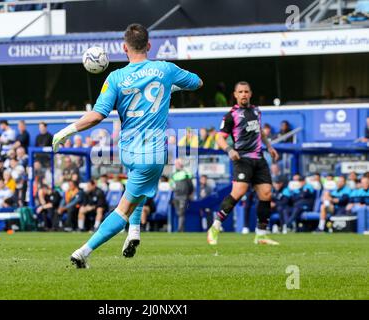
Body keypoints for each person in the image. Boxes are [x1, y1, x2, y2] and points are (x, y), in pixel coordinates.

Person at [52, 23, 202, 268]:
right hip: (152, 152)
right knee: (124, 207)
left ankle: (134, 231)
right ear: (149, 45)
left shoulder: (115, 77)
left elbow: (98, 115)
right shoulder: (165, 68)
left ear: (124, 48)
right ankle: (83, 252)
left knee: (136, 187)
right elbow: (197, 83)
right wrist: (169, 85)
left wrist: (66, 130)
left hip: (128, 151)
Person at [207, 81, 280, 246]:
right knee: (239, 191)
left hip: (259, 157)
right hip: (242, 158)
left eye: (246, 91)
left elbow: (259, 130)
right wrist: (229, 150)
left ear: (250, 93)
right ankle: (216, 225)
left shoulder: (256, 111)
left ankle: (261, 234)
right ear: (235, 94)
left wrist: (269, 146)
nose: (244, 94)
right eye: (240, 92)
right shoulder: (230, 115)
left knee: (266, 194)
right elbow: (219, 137)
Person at [170, 158, 194, 232]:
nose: (176, 165)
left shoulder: (186, 173)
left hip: (183, 196)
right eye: (176, 164)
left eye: (178, 164)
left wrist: (190, 193)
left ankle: (180, 230)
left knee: (181, 213)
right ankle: (179, 229)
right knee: (178, 213)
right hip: (176, 195)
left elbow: (190, 181)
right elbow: (171, 183)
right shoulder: (173, 174)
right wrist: (172, 188)